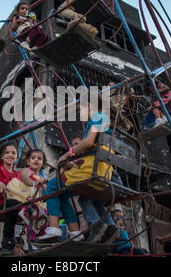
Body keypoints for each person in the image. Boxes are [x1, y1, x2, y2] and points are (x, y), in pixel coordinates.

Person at [57, 91, 120, 243]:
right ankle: (110, 227)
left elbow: (89, 142)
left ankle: (97, 227)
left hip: (95, 168)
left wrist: (68, 154)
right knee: (89, 199)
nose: (80, 114)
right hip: (104, 168)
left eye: (81, 110)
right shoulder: (105, 122)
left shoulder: (98, 117)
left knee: (66, 179)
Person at [32, 136, 85, 246]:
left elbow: (61, 171)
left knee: (51, 188)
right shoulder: (78, 155)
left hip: (79, 177)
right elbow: (60, 172)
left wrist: (47, 182)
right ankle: (76, 233)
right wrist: (48, 179)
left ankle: (53, 231)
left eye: (77, 144)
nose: (75, 147)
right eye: (73, 145)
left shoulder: (80, 154)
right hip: (77, 179)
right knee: (62, 196)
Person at [0, 141, 22, 254]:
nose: (10, 155)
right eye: (7, 153)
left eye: (13, 153)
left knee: (34, 207)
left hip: (17, 205)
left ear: (16, 156)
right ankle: (7, 240)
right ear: (2, 156)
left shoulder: (17, 174)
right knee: (12, 203)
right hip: (2, 205)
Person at [18, 149, 49, 248]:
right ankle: (29, 241)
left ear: (43, 162)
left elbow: (47, 190)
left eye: (39, 158)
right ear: (28, 161)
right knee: (33, 213)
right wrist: (36, 183)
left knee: (46, 214)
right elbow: (26, 180)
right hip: (22, 200)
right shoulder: (26, 171)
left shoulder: (39, 176)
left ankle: (44, 238)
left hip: (34, 202)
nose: (36, 160)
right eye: (33, 158)